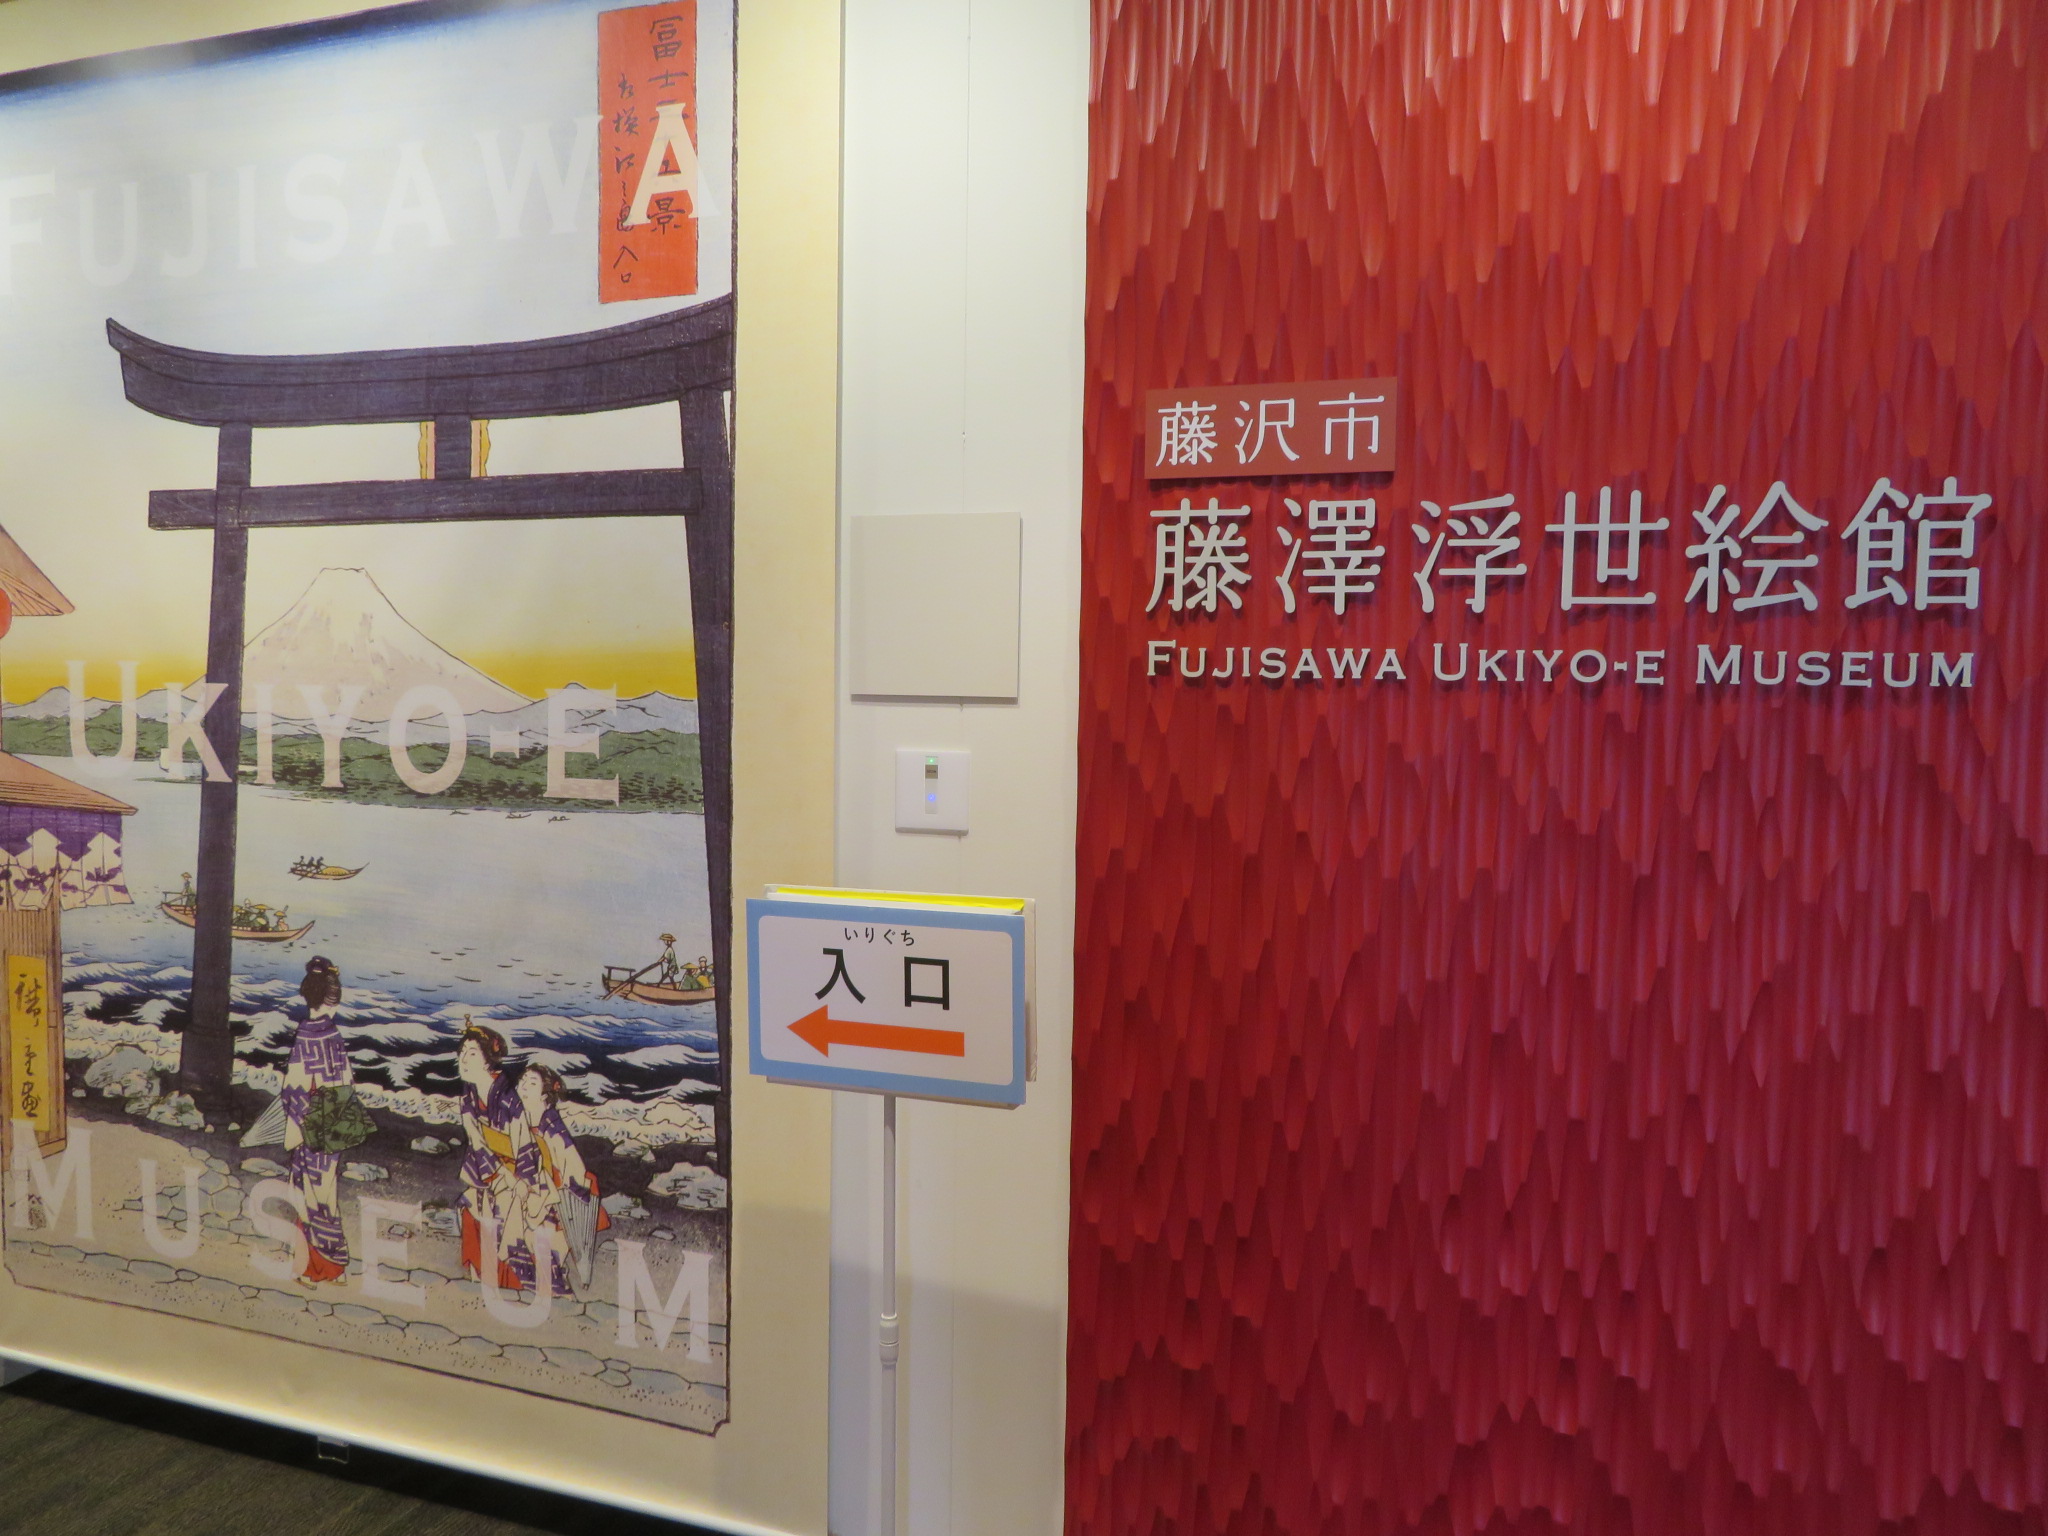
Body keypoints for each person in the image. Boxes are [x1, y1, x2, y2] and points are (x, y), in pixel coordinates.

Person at [510, 1062, 609, 1297]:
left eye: (531, 1083)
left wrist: (558, 1191)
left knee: (546, 1245)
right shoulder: (521, 1118)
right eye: (522, 1081)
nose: (523, 1086)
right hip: (535, 1186)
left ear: (545, 1095)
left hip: (564, 1191)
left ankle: (558, 1286)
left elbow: (572, 1166)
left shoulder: (551, 1123)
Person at [283, 956, 353, 1286]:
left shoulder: (307, 1035)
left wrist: (296, 1124)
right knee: (324, 1199)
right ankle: (330, 1268)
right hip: (330, 1127)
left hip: (312, 1127)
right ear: (328, 1002)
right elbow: (346, 1083)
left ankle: (318, 1269)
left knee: (312, 1200)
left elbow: (294, 1090)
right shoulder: (331, 1034)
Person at [455, 1021, 533, 1291]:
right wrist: (498, 1174)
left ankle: (506, 1282)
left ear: (489, 1060)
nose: (463, 1059)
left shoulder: (509, 1099)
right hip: (486, 1169)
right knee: (471, 1210)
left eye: (472, 1053)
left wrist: (517, 1179)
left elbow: (524, 1145)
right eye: (461, 1053)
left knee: (506, 1226)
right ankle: (480, 1279)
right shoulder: (468, 1094)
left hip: (516, 1171)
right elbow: (476, 1141)